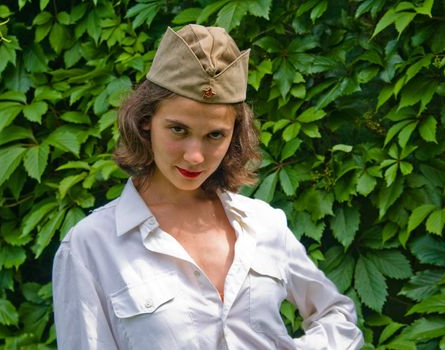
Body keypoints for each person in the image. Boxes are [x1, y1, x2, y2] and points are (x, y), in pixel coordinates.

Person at [52, 24, 364, 349]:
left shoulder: (264, 224)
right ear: (146, 121)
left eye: (215, 135)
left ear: (234, 135)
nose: (195, 156)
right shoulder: (90, 248)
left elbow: (336, 315)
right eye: (178, 130)